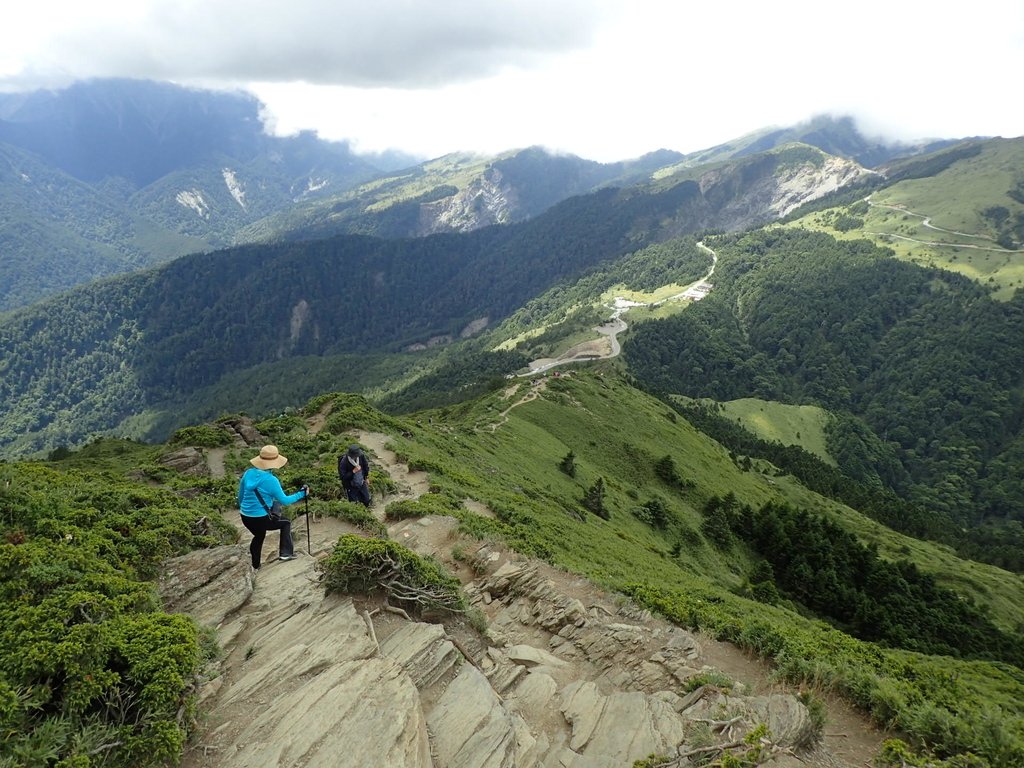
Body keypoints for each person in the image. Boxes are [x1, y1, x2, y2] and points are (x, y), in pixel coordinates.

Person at [238, 444, 310, 569]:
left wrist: (247, 508)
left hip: (245, 516)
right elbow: (285, 500)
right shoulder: (271, 480)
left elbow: (240, 495)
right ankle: (286, 553)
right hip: (259, 518)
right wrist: (302, 493)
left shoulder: (248, 473)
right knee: (285, 523)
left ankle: (255, 565)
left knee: (259, 535)